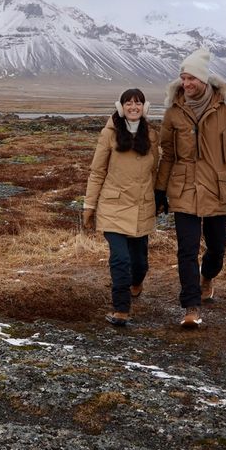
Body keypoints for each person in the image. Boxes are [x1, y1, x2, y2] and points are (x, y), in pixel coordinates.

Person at [154, 47, 226, 328]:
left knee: (217, 248)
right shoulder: (173, 111)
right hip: (184, 189)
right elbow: (167, 153)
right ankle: (191, 307)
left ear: (204, 80)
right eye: (183, 78)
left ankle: (207, 278)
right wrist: (160, 189)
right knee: (186, 249)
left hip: (219, 188)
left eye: (192, 78)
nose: (187, 84)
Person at [83, 88, 159, 326]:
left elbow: (158, 170)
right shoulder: (109, 134)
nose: (133, 107)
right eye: (128, 103)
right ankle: (121, 309)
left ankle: (137, 283)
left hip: (141, 207)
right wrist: (89, 206)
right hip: (113, 206)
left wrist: (161, 197)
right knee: (120, 259)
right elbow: (97, 172)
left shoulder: (153, 135)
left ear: (144, 107)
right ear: (121, 107)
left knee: (140, 264)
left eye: (138, 103)